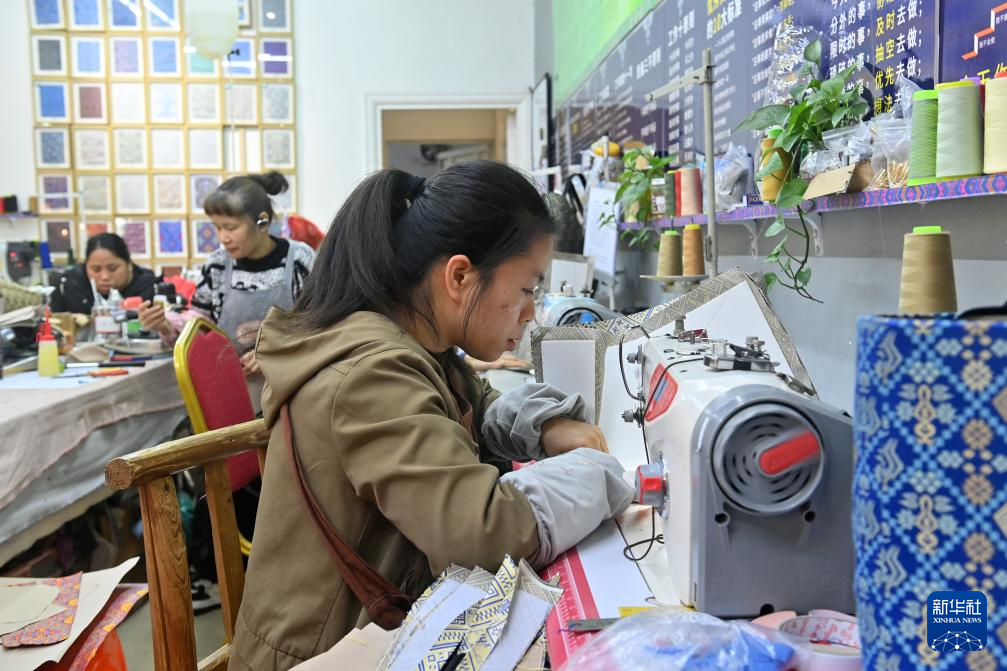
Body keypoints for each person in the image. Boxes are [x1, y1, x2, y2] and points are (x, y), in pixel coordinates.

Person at [230, 161, 634, 670]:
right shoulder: (372, 373)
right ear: (460, 276)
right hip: (325, 652)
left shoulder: (419, 346)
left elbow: (474, 406)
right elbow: (485, 533)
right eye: (527, 289)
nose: (531, 311)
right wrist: (604, 473)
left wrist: (547, 425)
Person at [138, 171, 315, 376]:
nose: (223, 238)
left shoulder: (299, 259)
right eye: (217, 227)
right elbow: (201, 323)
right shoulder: (217, 265)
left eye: (230, 227)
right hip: (232, 383)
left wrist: (274, 351)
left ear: (262, 222)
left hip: (290, 383)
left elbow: (320, 325)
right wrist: (166, 325)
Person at [49, 233, 157, 314]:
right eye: (96, 269)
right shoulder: (68, 286)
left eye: (113, 269)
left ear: (129, 265)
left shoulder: (150, 288)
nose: (105, 277)